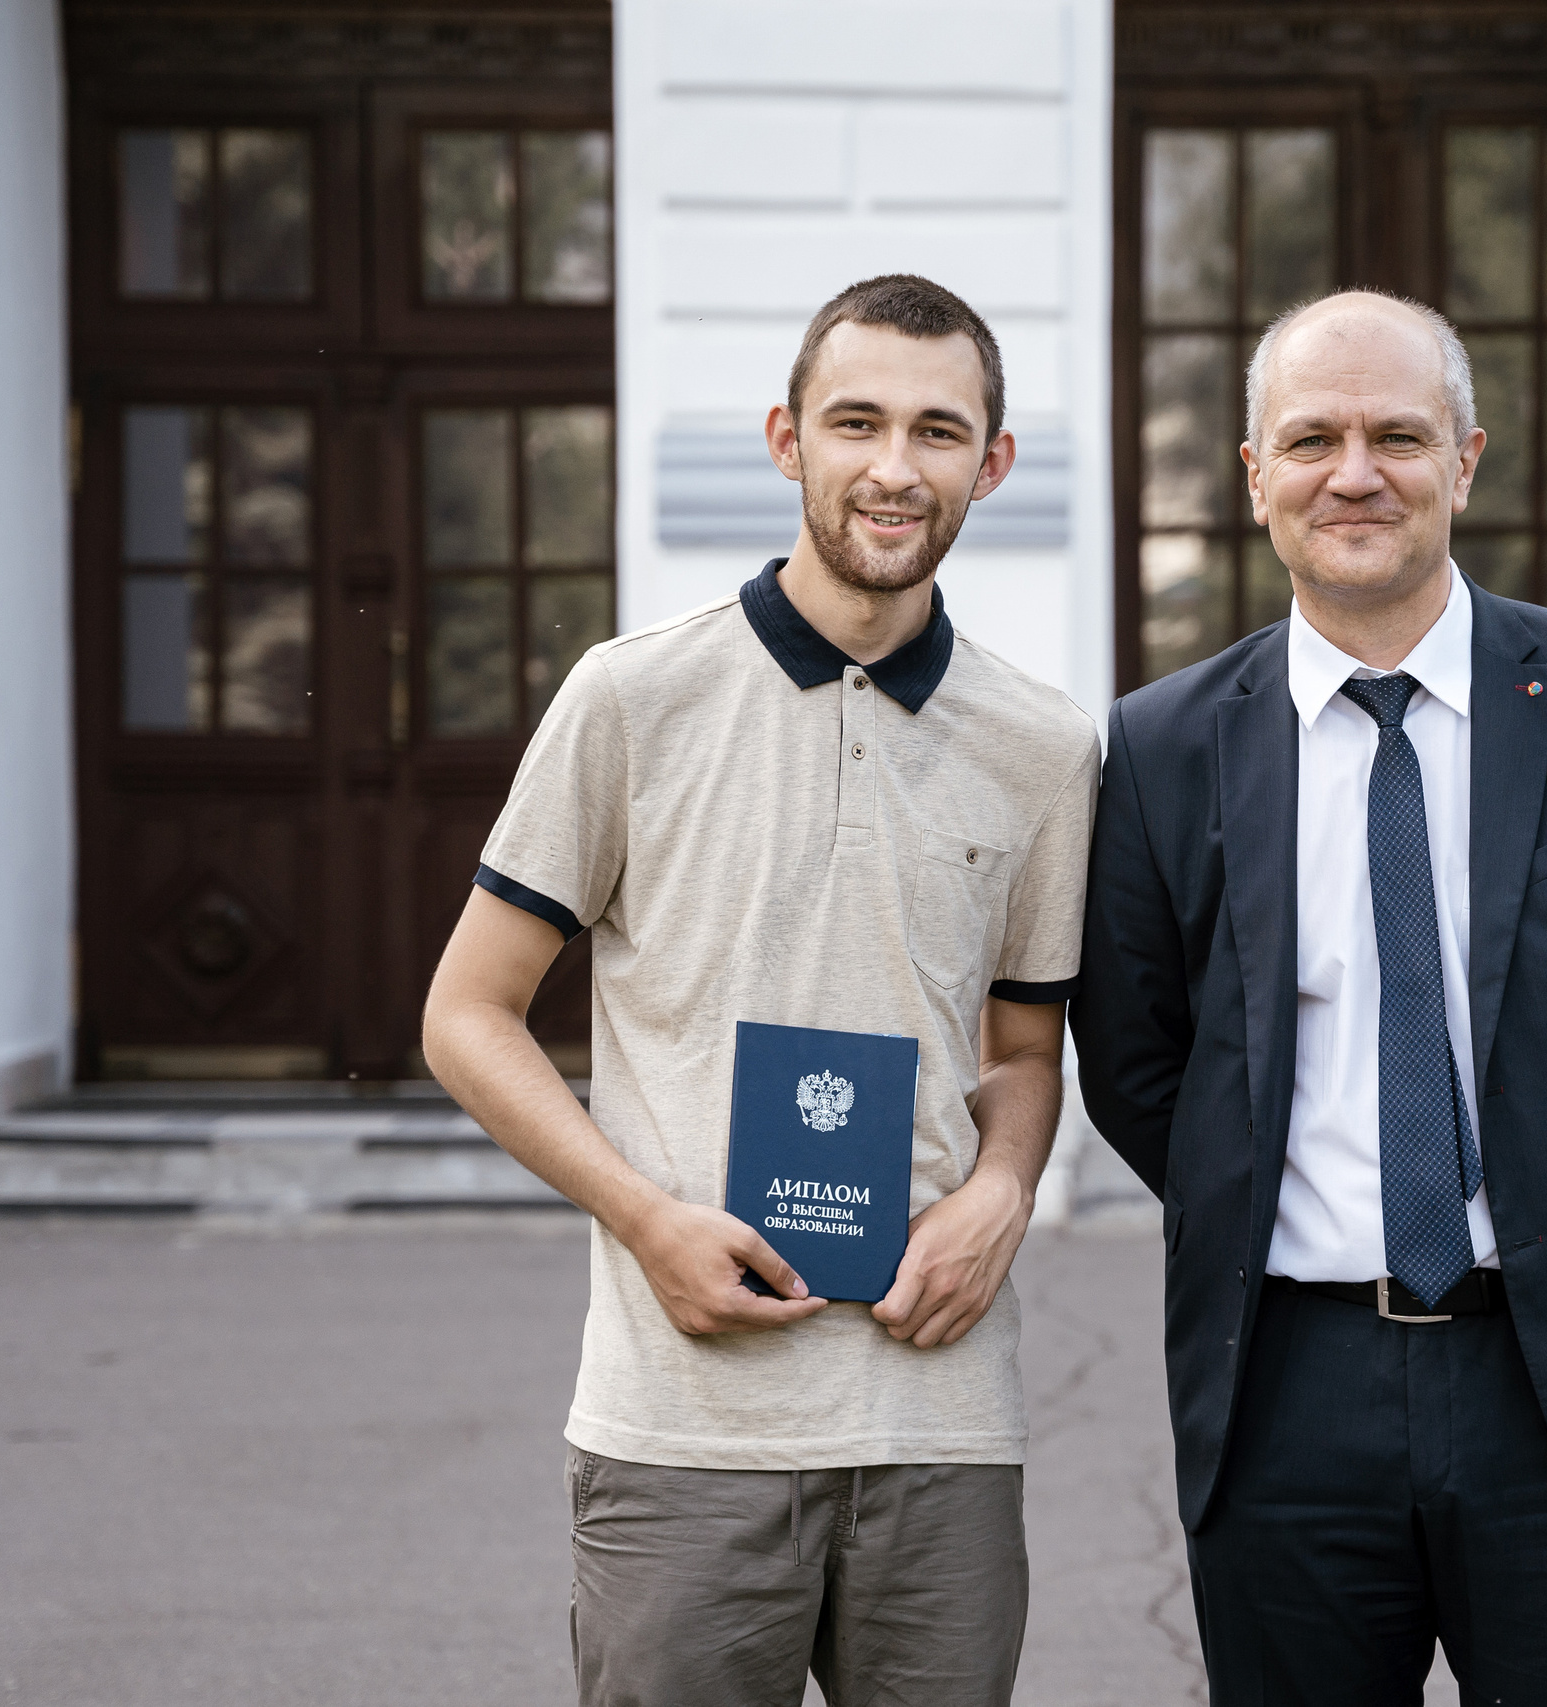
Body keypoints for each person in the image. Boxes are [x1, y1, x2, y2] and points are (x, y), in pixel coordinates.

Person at [1070, 289, 1547, 1706]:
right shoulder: (1161, 749)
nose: (1356, 473)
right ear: (1254, 477)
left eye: (1398, 435)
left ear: (1464, 460)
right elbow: (1139, 1060)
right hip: (1285, 1386)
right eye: (1313, 439)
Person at [423, 273, 1099, 1707]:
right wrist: (646, 1216)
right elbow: (466, 1015)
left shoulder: (1045, 748)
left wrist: (1002, 1194)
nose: (893, 467)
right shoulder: (630, 699)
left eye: (936, 430)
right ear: (789, 438)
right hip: (684, 1425)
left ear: (994, 464)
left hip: (941, 1421)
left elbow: (1025, 1046)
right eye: (856, 422)